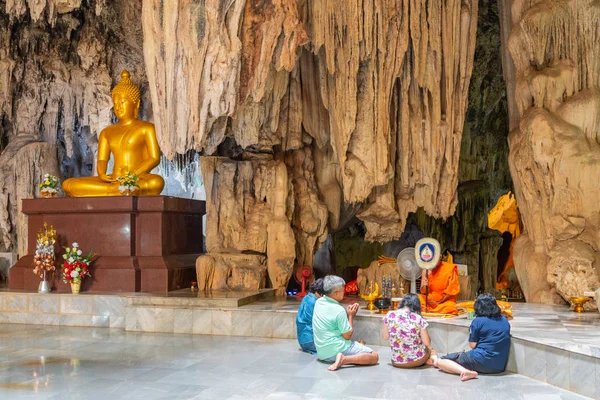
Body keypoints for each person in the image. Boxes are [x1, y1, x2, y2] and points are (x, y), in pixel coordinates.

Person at [428, 293, 511, 381]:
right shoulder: (505, 321)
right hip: (499, 366)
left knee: (441, 361)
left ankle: (465, 371)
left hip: (480, 359)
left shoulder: (477, 321)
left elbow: (472, 345)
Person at [313, 275, 379, 371]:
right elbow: (347, 336)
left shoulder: (318, 302)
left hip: (322, 353)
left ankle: (344, 357)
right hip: (336, 350)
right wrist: (350, 316)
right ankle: (344, 359)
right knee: (374, 356)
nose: (344, 292)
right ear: (335, 293)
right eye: (342, 290)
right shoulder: (338, 310)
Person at [381, 293, 432, 368]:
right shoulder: (418, 318)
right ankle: (435, 361)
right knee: (430, 349)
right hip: (416, 360)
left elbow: (385, 337)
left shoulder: (389, 315)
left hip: (396, 362)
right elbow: (427, 343)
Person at [296, 278, 324, 354]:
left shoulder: (307, 298)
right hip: (310, 341)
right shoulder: (314, 302)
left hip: (303, 340)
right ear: (319, 292)